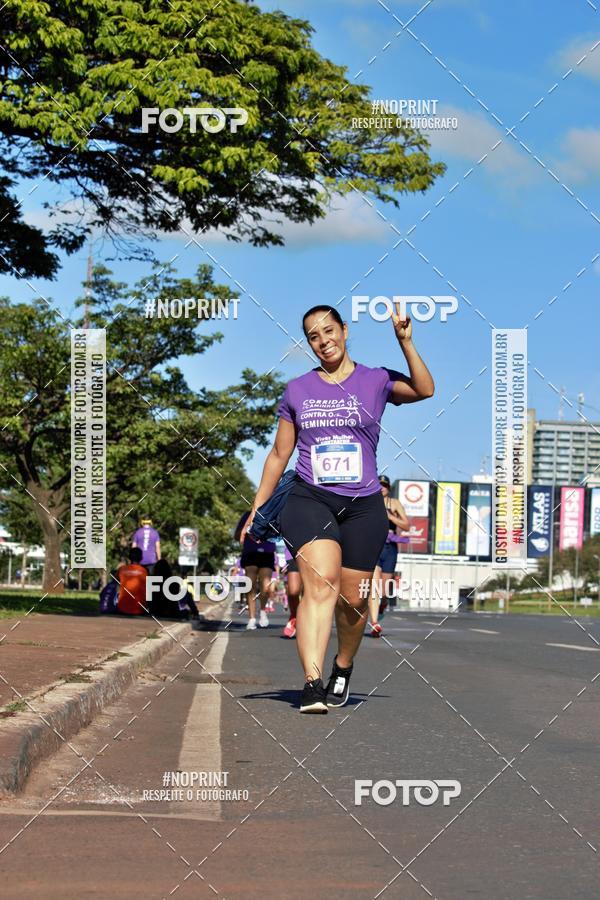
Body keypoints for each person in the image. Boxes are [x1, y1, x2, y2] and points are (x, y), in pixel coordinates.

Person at [241, 303, 434, 713]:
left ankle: (342, 666)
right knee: (320, 582)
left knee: (354, 601)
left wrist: (406, 343)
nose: (323, 340)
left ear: (344, 331)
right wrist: (257, 509)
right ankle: (312, 683)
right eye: (313, 335)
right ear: (308, 343)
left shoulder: (376, 380)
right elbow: (279, 454)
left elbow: (424, 389)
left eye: (329, 331)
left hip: (363, 505)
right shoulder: (298, 390)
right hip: (311, 497)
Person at [368, 474, 409, 637]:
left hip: (389, 547)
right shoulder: (369, 502)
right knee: (374, 585)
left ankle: (383, 604)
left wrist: (390, 515)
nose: (381, 487)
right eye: (379, 485)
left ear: (389, 488)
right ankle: (375, 623)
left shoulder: (395, 503)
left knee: (384, 591)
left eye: (384, 485)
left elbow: (406, 525)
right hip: (373, 545)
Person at [234, 511, 276, 630]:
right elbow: (237, 536)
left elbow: (280, 532)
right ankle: (252, 618)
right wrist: (247, 529)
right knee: (250, 585)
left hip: (267, 553)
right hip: (250, 553)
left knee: (266, 586)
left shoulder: (272, 513)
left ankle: (263, 611)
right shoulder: (247, 515)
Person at [117, 547, 148, 615]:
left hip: (122, 608)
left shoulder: (121, 569)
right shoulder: (144, 571)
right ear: (141, 558)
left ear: (129, 557)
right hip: (139, 610)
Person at [282, 546, 303, 639]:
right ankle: (294, 616)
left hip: (316, 549)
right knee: (293, 591)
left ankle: (307, 622)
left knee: (310, 592)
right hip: (294, 549)